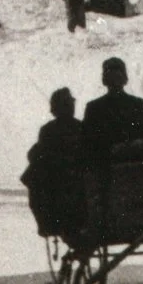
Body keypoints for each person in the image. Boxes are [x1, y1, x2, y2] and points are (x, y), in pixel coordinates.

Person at [20, 87, 87, 238]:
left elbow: (36, 154)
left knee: (33, 176)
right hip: (78, 181)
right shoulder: (82, 127)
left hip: (62, 184)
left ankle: (47, 224)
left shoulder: (48, 130)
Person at [81, 56, 143, 164]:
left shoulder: (94, 108)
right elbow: (88, 144)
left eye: (117, 74)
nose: (114, 79)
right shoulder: (140, 105)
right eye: (111, 75)